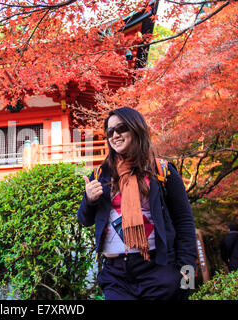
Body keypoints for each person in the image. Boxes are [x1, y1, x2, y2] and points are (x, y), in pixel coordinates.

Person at [77, 107, 197, 300]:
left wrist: (187, 278)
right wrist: (89, 200)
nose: (115, 135)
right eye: (110, 131)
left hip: (158, 270)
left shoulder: (162, 171)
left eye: (121, 128)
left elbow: (184, 222)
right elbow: (85, 220)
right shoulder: (101, 174)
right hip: (116, 275)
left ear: (136, 129)